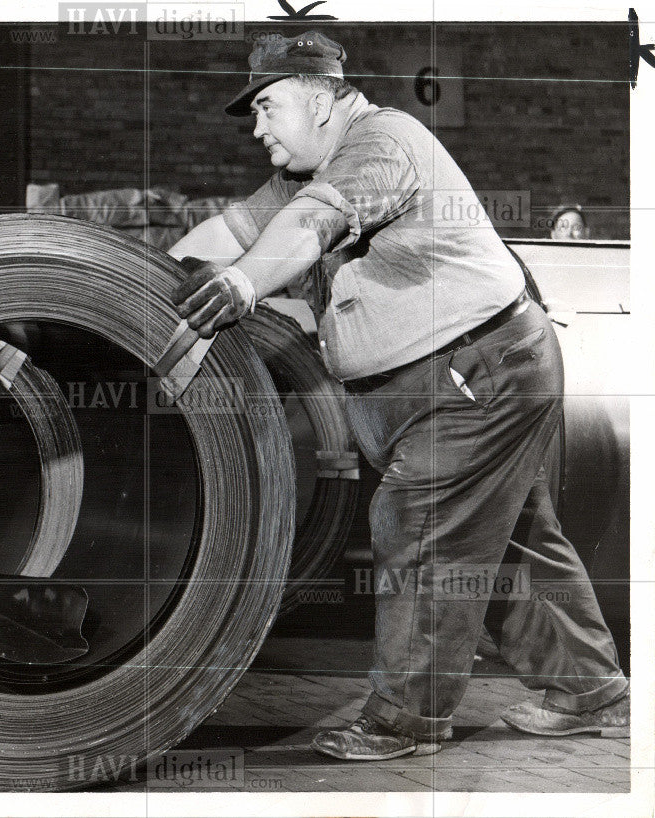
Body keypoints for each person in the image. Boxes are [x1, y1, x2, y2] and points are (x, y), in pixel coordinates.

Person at [166, 31, 628, 761]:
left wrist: (244, 284)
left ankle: (406, 720)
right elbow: (228, 233)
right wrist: (140, 282)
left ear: (321, 101)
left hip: (480, 370)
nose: (257, 128)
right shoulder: (300, 171)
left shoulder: (385, 141)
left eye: (267, 106)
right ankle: (591, 690)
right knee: (506, 543)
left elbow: (315, 224)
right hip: (450, 378)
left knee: (420, 528)